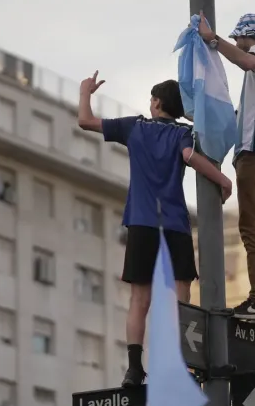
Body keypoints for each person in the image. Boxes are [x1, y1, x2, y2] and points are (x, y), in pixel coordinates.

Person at [77, 70, 233, 387]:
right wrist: (223, 180)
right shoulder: (183, 134)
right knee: (181, 297)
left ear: (157, 103)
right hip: (174, 223)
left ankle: (134, 369)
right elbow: (191, 158)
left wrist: (85, 93)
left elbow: (86, 121)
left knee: (139, 300)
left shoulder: (134, 127)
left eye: (152, 99)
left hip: (141, 222)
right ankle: (181, 363)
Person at [197, 12, 255, 326]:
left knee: (251, 228)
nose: (237, 43)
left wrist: (213, 39)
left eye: (239, 38)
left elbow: (246, 61)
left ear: (250, 35)